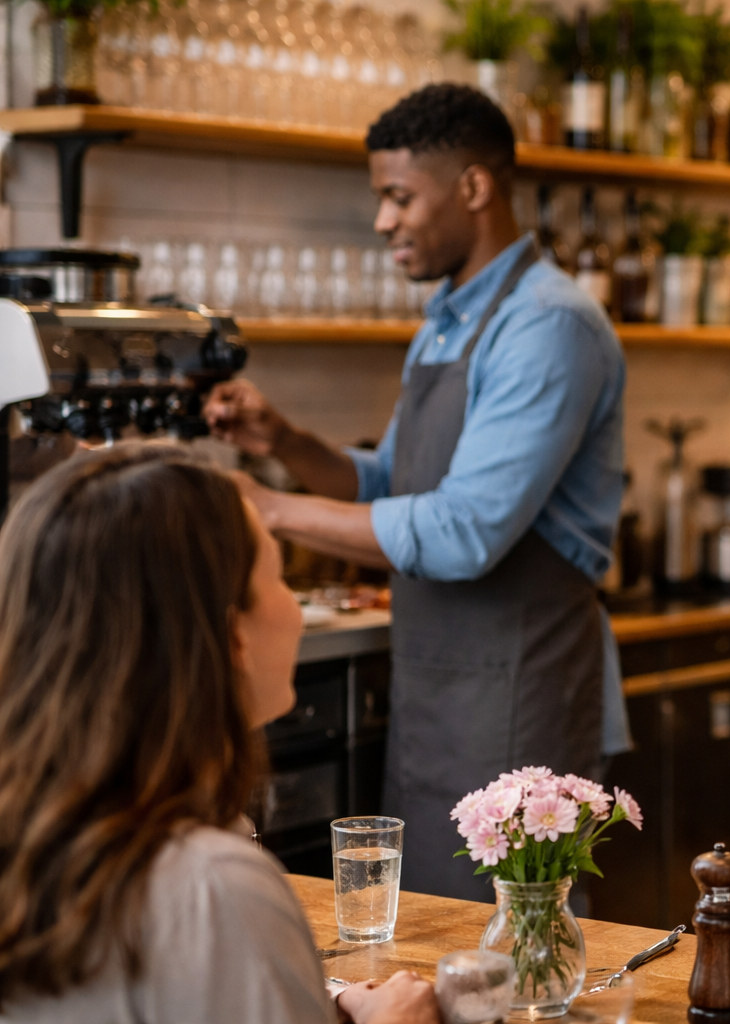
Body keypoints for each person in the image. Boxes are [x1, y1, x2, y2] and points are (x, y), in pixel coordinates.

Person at [204, 85, 627, 901]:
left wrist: (264, 508)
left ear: (473, 187)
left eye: (399, 196)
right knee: (429, 934)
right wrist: (284, 443)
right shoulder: (445, 321)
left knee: (519, 943)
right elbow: (388, 484)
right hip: (435, 693)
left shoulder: (549, 324)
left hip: (521, 692)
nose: (382, 221)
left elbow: (463, 531)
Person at [0, 446, 437, 1023]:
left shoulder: (43, 839)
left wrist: (325, 996)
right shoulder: (216, 888)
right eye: (281, 579)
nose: (296, 611)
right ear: (232, 639)